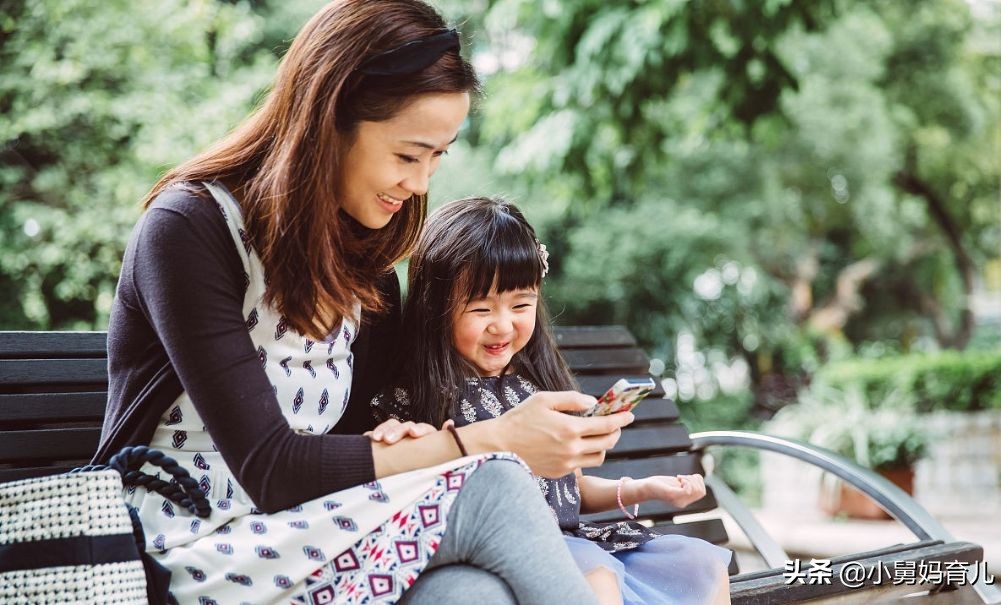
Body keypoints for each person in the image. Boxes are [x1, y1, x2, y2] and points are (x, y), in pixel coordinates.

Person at [93, 2, 635, 603]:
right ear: (331, 120)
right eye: (408, 155)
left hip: (309, 535)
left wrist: (395, 437)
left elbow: (345, 443)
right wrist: (492, 438)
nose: (422, 183)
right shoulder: (190, 229)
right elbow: (271, 469)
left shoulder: (368, 276)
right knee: (495, 485)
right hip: (186, 547)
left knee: (466, 594)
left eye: (437, 157)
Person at [371, 197, 733, 605]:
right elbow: (398, 478)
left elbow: (571, 488)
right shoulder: (415, 399)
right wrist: (399, 440)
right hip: (512, 556)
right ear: (434, 308)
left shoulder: (536, 388)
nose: (503, 325)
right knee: (597, 580)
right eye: (480, 308)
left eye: (521, 305)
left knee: (700, 564)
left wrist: (644, 488)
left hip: (577, 540)